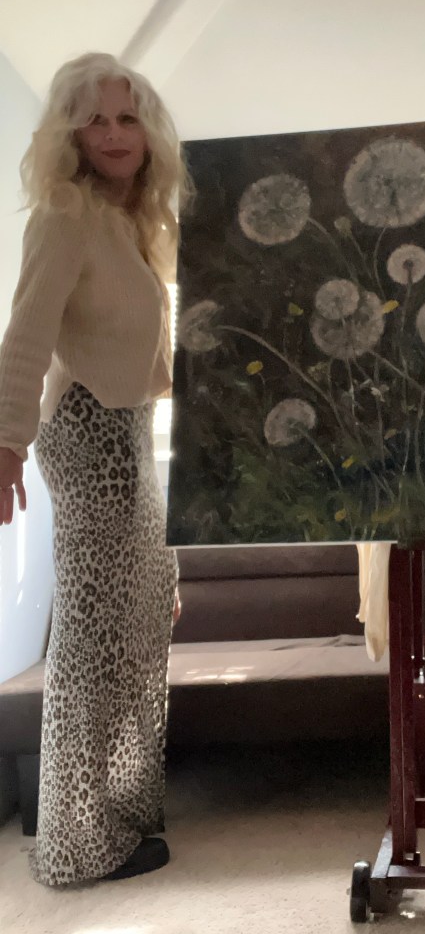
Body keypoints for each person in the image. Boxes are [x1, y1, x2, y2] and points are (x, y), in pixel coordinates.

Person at [0, 52, 193, 886]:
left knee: (140, 626)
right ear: (71, 133)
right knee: (91, 640)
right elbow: (25, 334)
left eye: (127, 118)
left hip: (130, 433)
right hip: (86, 434)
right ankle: (77, 844)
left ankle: (122, 814)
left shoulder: (132, 221)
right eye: (95, 120)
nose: (113, 134)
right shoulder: (65, 214)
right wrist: (5, 444)